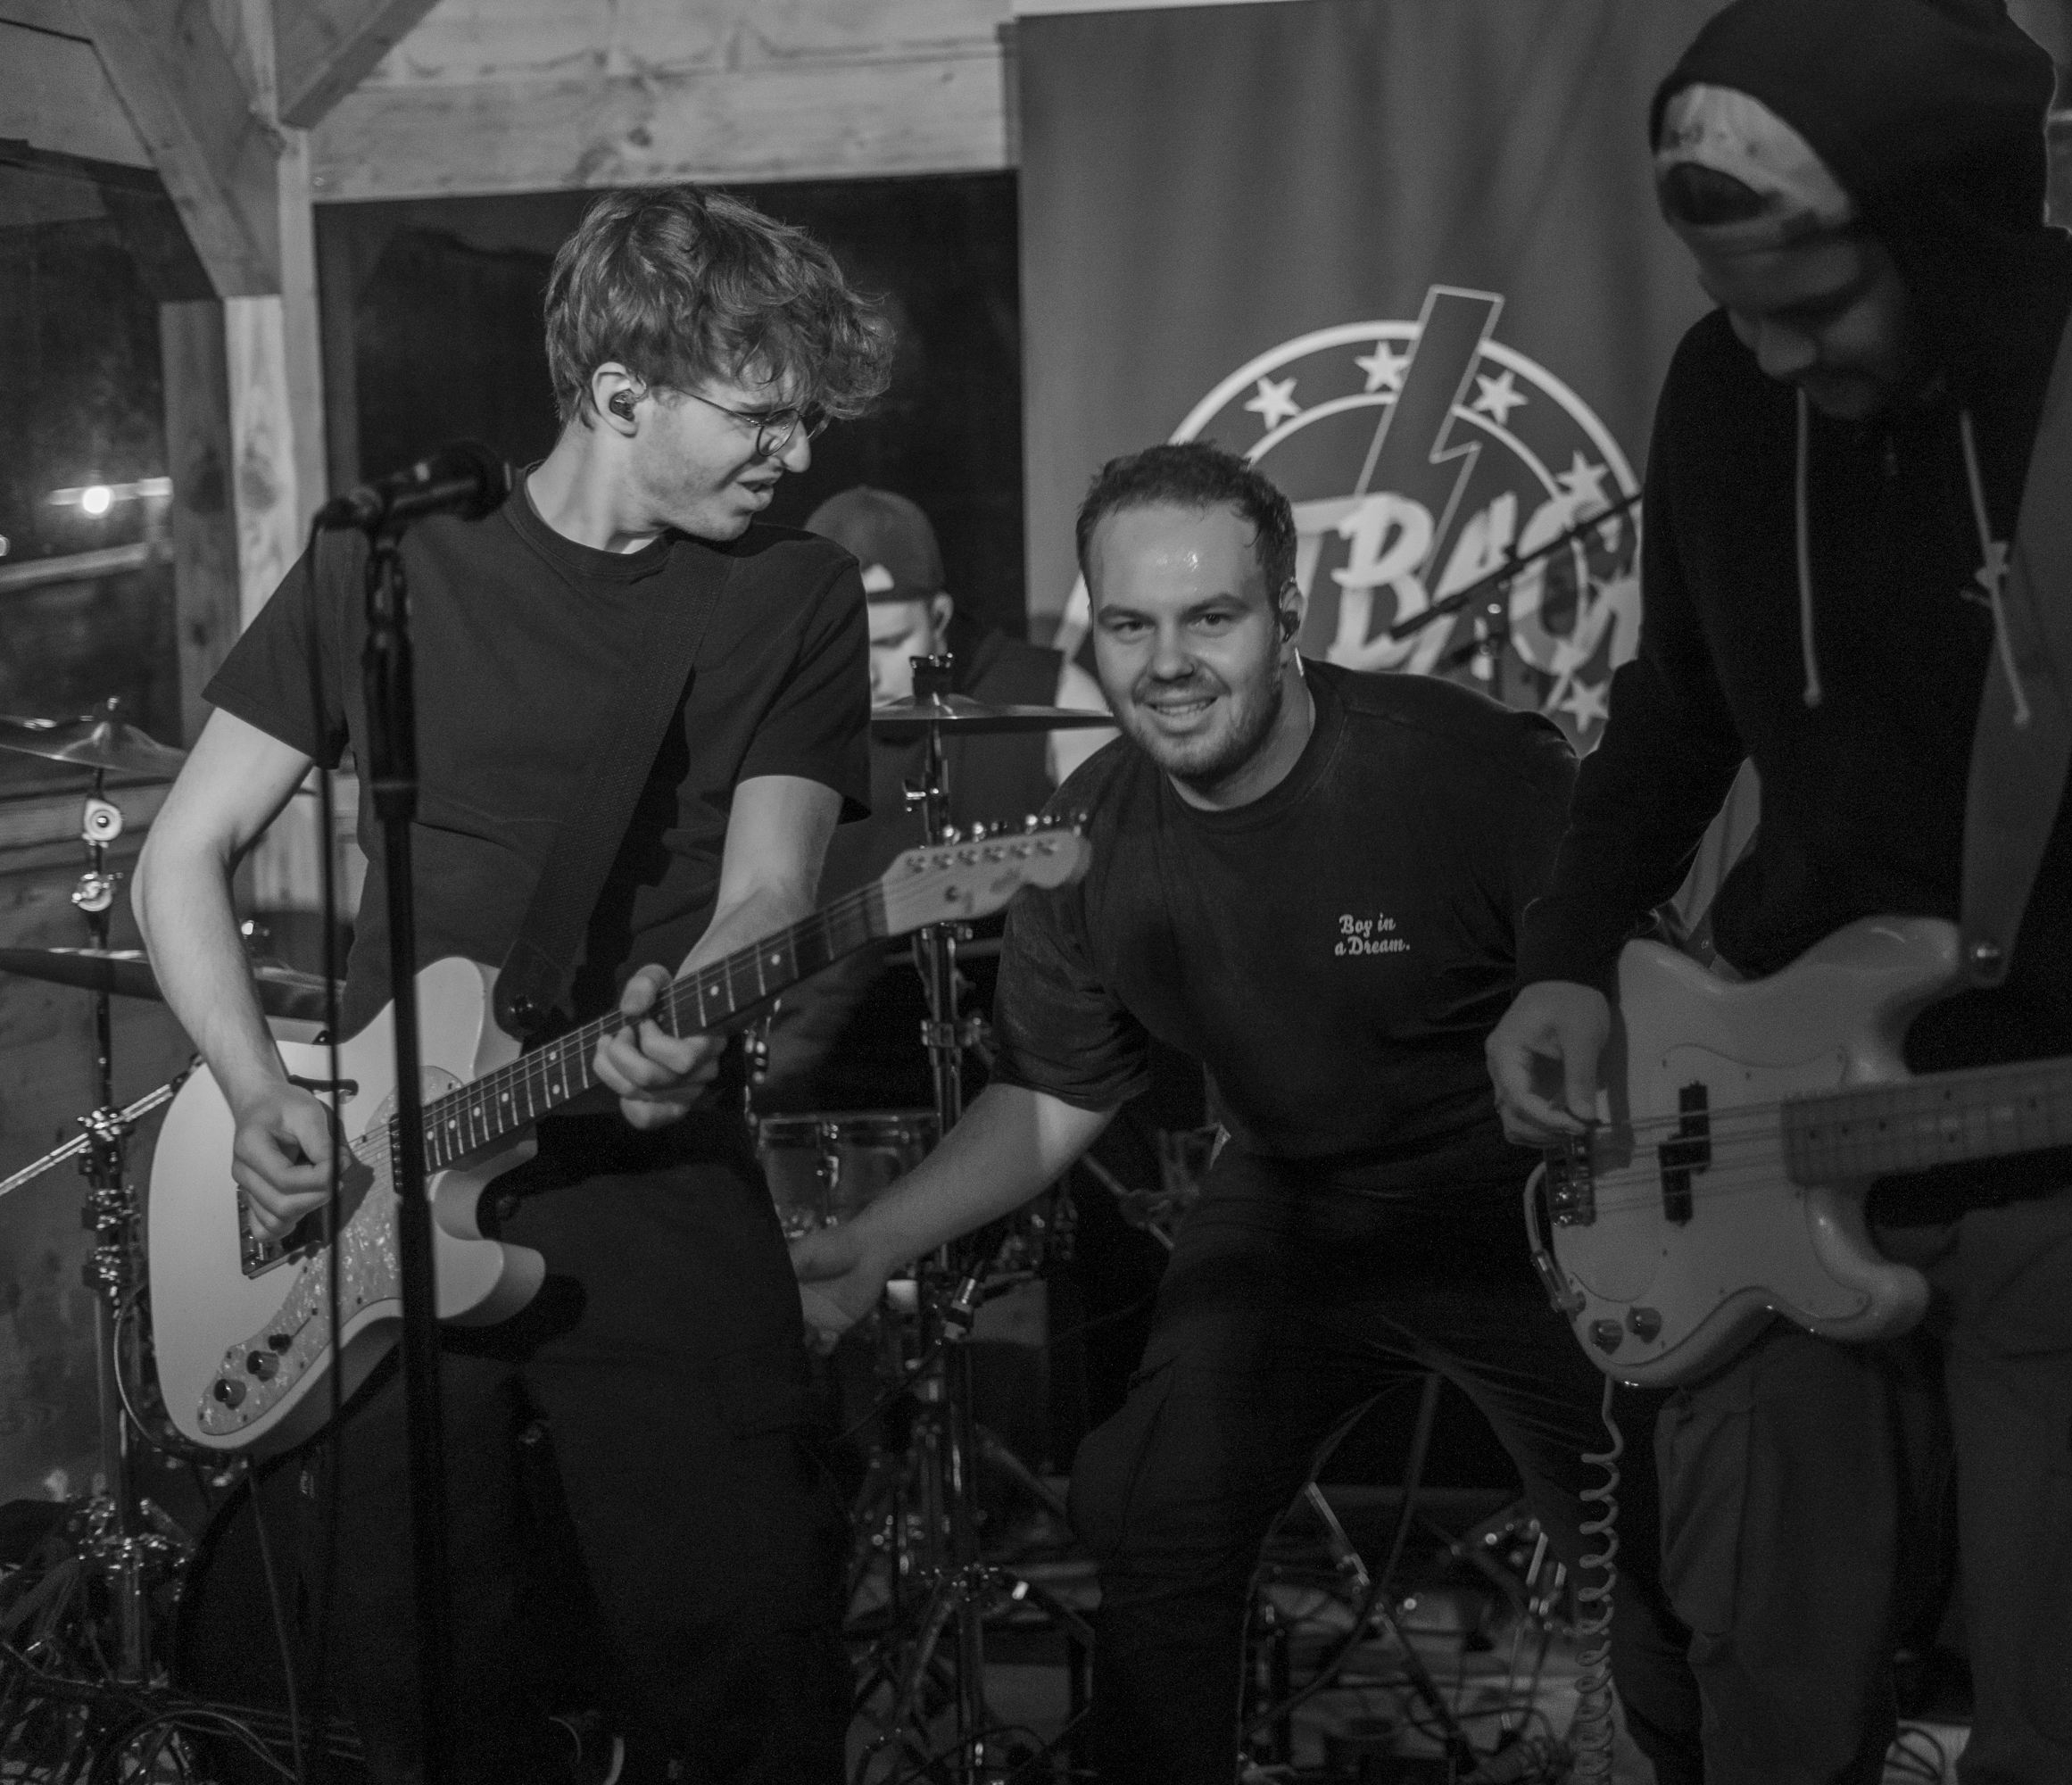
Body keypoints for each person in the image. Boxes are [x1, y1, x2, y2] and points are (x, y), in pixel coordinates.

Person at [1483, 4, 2072, 1783]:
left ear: (1954, 234)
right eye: (1737, 303)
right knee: (1760, 1682)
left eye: (1816, 301)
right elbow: (1676, 709)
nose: (1771, 352)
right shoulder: (1722, 390)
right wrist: (1566, 953)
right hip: (1768, 1138)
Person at [792, 441, 1691, 1785]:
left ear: (1289, 618)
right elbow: (1051, 1088)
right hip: (1290, 1203)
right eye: (1131, 626)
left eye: (1210, 617)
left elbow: (1665, 993)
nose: (1168, 663)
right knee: (1153, 1513)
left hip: (1533, 1205)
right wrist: (872, 1243)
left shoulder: (1467, 768)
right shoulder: (1090, 830)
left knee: (1658, 1582)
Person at [134, 184, 891, 1781]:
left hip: (646, 1170)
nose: (795, 454)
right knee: (401, 1682)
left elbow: (769, 886)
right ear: (619, 391)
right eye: (760, 416)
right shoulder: (392, 566)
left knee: (749, 1649)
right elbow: (180, 856)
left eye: (807, 421)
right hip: (378, 1192)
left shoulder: (794, 593)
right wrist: (259, 1095)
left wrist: (690, 1021)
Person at [759, 485, 1111, 1114]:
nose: (865, 673)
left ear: (940, 618)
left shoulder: (1054, 696)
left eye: (889, 643)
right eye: (842, 647)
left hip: (1018, 1086)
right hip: (812, 1092)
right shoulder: (777, 726)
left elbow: (1125, 895)